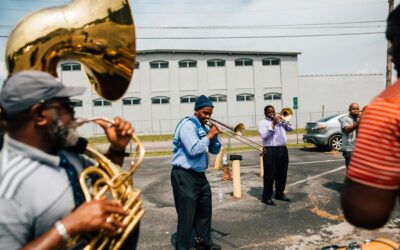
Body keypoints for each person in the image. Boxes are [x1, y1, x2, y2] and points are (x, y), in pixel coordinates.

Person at [0, 71, 139, 249]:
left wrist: (117, 148)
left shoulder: (64, 153)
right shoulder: (7, 185)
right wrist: (69, 226)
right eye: (67, 106)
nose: (74, 114)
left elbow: (100, 181)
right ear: (40, 114)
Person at [341, 5, 400, 229]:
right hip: (348, 148)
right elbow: (346, 130)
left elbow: (364, 213)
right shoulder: (350, 118)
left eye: (394, 39)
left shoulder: (388, 106)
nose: (390, 52)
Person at [170, 95, 222, 250]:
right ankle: (183, 247)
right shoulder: (188, 126)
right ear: (197, 110)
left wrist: (215, 137)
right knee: (187, 216)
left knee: (205, 211)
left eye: (210, 114)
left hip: (199, 175)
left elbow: (214, 150)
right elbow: (194, 150)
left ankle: (205, 243)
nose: (207, 117)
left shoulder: (204, 127)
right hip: (184, 175)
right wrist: (210, 135)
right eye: (205, 113)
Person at [258, 105, 293, 206]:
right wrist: (273, 124)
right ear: (265, 113)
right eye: (269, 112)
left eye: (273, 112)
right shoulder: (262, 123)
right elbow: (264, 136)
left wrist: (284, 121)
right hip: (270, 150)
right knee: (270, 175)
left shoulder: (281, 122)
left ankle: (279, 194)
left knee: (282, 174)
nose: (272, 113)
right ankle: (266, 197)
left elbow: (291, 128)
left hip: (283, 149)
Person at [339, 103, 360, 168]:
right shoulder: (344, 119)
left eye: (357, 109)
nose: (356, 110)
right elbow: (347, 130)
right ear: (349, 110)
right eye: (353, 109)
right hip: (349, 148)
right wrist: (359, 123)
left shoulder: (360, 118)